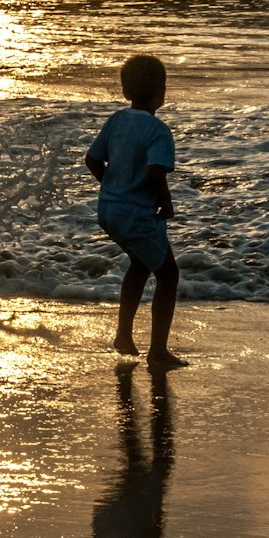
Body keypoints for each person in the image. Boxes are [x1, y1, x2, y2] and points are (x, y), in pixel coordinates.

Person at [85, 54, 185, 368]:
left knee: (141, 265)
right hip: (136, 214)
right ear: (162, 92)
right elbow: (156, 171)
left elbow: (92, 160)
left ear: (126, 91)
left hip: (109, 210)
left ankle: (124, 336)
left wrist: (113, 187)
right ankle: (158, 351)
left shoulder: (117, 120)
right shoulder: (157, 130)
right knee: (168, 275)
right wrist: (166, 202)